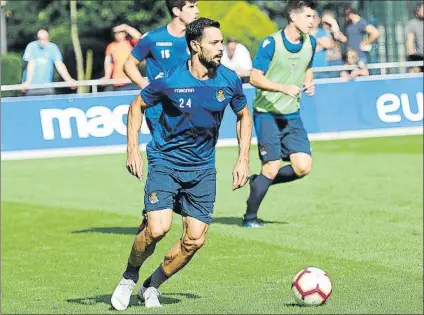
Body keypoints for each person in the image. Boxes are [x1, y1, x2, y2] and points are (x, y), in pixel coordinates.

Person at [111, 18, 252, 310]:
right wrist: (133, 149)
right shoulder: (169, 79)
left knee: (194, 240)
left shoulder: (229, 79)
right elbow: (137, 104)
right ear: (194, 45)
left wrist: (243, 159)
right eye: (214, 43)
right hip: (165, 161)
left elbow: (243, 114)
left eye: (221, 42)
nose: (220, 48)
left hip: (202, 169)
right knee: (157, 229)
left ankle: (152, 285)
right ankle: (129, 278)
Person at [242, 0, 316, 228]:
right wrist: (283, 88)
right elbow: (254, 77)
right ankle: (250, 218)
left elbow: (307, 67)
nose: (312, 22)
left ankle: (260, 182)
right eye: (308, 17)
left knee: (303, 166)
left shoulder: (311, 42)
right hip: (267, 114)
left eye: (313, 17)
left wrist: (309, 83)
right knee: (271, 166)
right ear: (293, 17)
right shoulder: (270, 43)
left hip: (292, 114)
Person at [124, 0, 199, 134]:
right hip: (160, 110)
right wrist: (145, 86)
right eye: (191, 7)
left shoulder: (196, 39)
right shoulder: (152, 38)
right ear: (176, 11)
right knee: (168, 153)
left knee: (190, 153)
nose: (197, 11)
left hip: (190, 107)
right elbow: (129, 64)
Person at [21, 29, 77, 96]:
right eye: (40, 39)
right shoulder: (31, 47)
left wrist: (68, 80)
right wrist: (27, 82)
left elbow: (59, 64)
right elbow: (31, 65)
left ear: (48, 39)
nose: (41, 41)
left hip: (47, 86)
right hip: (31, 87)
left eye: (44, 39)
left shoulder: (53, 48)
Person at [101, 24, 142, 91]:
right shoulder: (111, 47)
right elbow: (108, 63)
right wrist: (107, 77)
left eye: (120, 32)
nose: (117, 35)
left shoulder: (131, 43)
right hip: (118, 83)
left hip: (133, 81)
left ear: (125, 33)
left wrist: (125, 27)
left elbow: (139, 37)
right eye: (115, 33)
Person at [309, 10, 334, 79]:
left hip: (323, 69)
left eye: (315, 18)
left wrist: (315, 41)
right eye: (311, 17)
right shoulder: (304, 34)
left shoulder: (324, 32)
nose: (314, 20)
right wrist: (320, 41)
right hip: (309, 70)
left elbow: (328, 44)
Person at [406, 2, 424, 73]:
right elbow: (409, 43)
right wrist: (414, 63)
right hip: (419, 58)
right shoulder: (412, 24)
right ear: (418, 10)